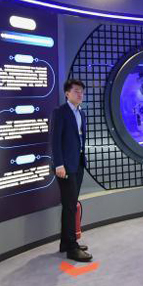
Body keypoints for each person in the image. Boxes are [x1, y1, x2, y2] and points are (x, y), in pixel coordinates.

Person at [51, 79, 92, 262]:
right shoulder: (60, 112)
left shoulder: (81, 113)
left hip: (78, 164)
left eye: (81, 91)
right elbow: (55, 140)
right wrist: (59, 164)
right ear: (67, 93)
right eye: (76, 91)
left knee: (71, 204)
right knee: (69, 206)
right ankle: (72, 248)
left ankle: (65, 243)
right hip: (66, 167)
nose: (80, 94)